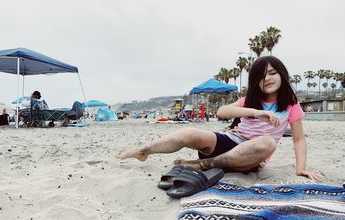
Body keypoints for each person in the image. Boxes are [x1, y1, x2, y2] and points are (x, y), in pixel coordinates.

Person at [116, 56, 323, 182]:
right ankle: (144, 151)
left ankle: (203, 164)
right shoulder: (249, 100)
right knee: (189, 133)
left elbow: (298, 139)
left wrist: (300, 168)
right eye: (261, 76)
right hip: (230, 143)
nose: (267, 78)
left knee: (268, 142)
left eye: (272, 73)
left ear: (282, 75)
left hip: (248, 158)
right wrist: (255, 112)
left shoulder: (290, 104)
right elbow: (222, 112)